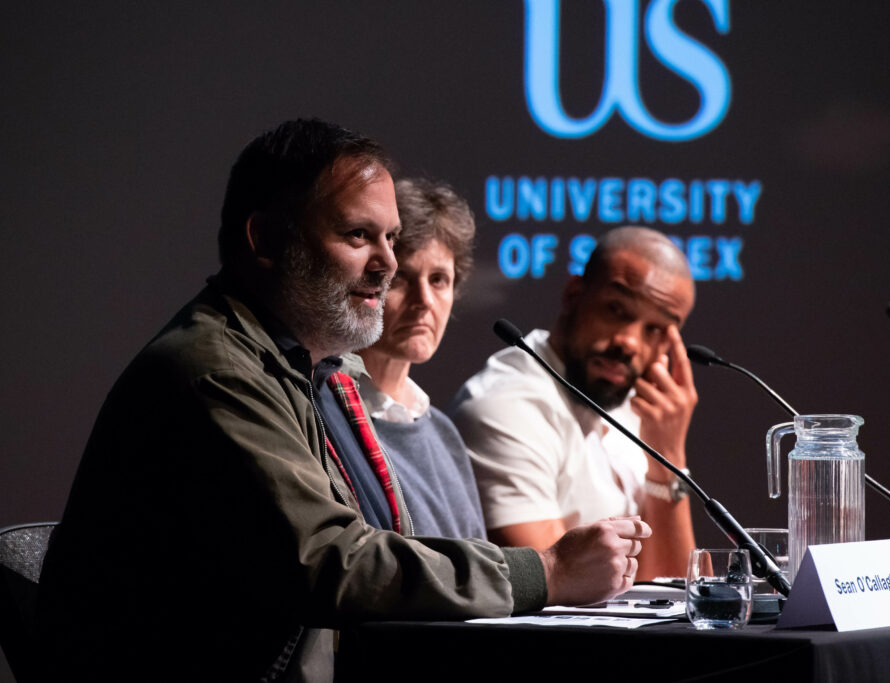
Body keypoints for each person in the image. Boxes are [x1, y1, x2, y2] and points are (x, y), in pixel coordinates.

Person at [35, 119, 652, 682]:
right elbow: (332, 563)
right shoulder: (215, 372)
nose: (386, 264)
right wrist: (546, 572)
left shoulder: (302, 369)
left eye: (390, 238)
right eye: (359, 235)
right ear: (268, 240)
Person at [451, 226, 698, 579]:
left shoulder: (630, 403)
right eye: (616, 309)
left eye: (655, 330)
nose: (629, 342)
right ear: (573, 294)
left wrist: (668, 460)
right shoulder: (505, 407)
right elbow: (552, 587)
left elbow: (674, 589)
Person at [356, 177, 486, 540]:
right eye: (402, 279)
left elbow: (482, 570)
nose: (424, 300)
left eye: (439, 280)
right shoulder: (330, 418)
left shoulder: (443, 433)